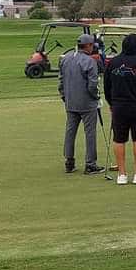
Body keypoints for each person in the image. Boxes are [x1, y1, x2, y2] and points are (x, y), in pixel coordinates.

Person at [103, 34, 136, 185]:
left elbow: (107, 87)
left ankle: (122, 174)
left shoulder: (113, 63)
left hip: (118, 106)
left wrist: (111, 103)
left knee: (119, 139)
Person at [59, 34, 105, 175]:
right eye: (92, 45)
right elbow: (92, 85)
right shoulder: (90, 61)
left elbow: (61, 82)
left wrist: (64, 97)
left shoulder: (66, 58)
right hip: (87, 103)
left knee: (70, 131)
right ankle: (90, 164)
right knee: (90, 133)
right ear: (88, 45)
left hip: (70, 101)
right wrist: (96, 97)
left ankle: (69, 162)